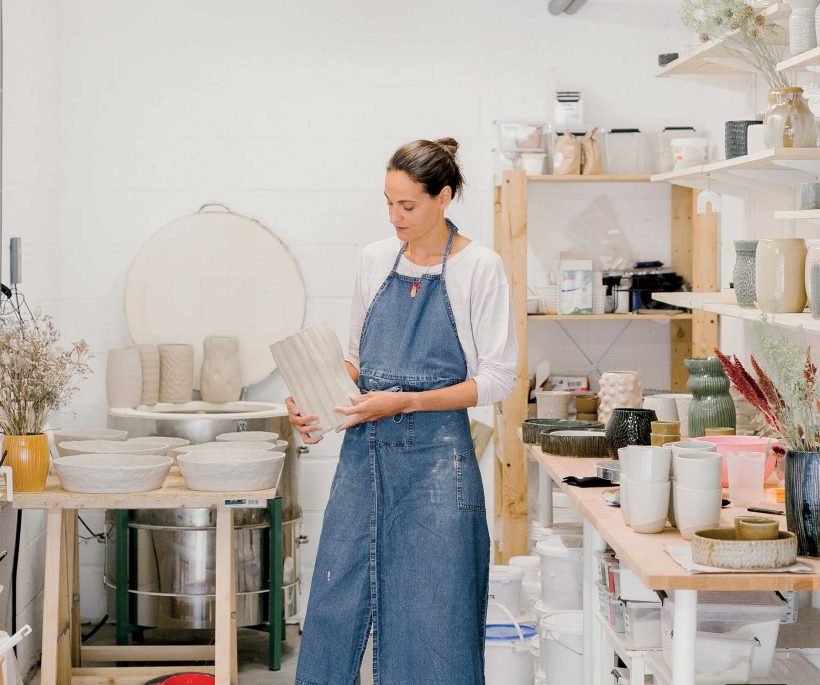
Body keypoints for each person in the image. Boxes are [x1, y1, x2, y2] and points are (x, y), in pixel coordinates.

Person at [290, 137, 517, 685]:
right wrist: (313, 400)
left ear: (444, 197)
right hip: (363, 456)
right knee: (335, 599)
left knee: (435, 608)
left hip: (438, 463)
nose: (395, 217)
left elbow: (497, 380)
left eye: (408, 205)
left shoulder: (480, 267)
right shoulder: (373, 260)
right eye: (388, 203)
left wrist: (408, 401)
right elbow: (354, 362)